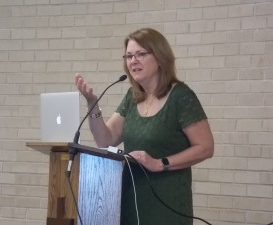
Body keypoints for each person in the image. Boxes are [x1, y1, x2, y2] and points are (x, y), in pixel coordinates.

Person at [75, 28, 214, 225]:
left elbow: (206, 148)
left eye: (141, 54)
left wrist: (159, 163)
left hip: (167, 203)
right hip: (130, 199)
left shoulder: (181, 96)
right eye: (129, 56)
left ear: (160, 57)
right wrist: (92, 103)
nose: (133, 60)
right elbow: (105, 140)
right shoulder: (132, 97)